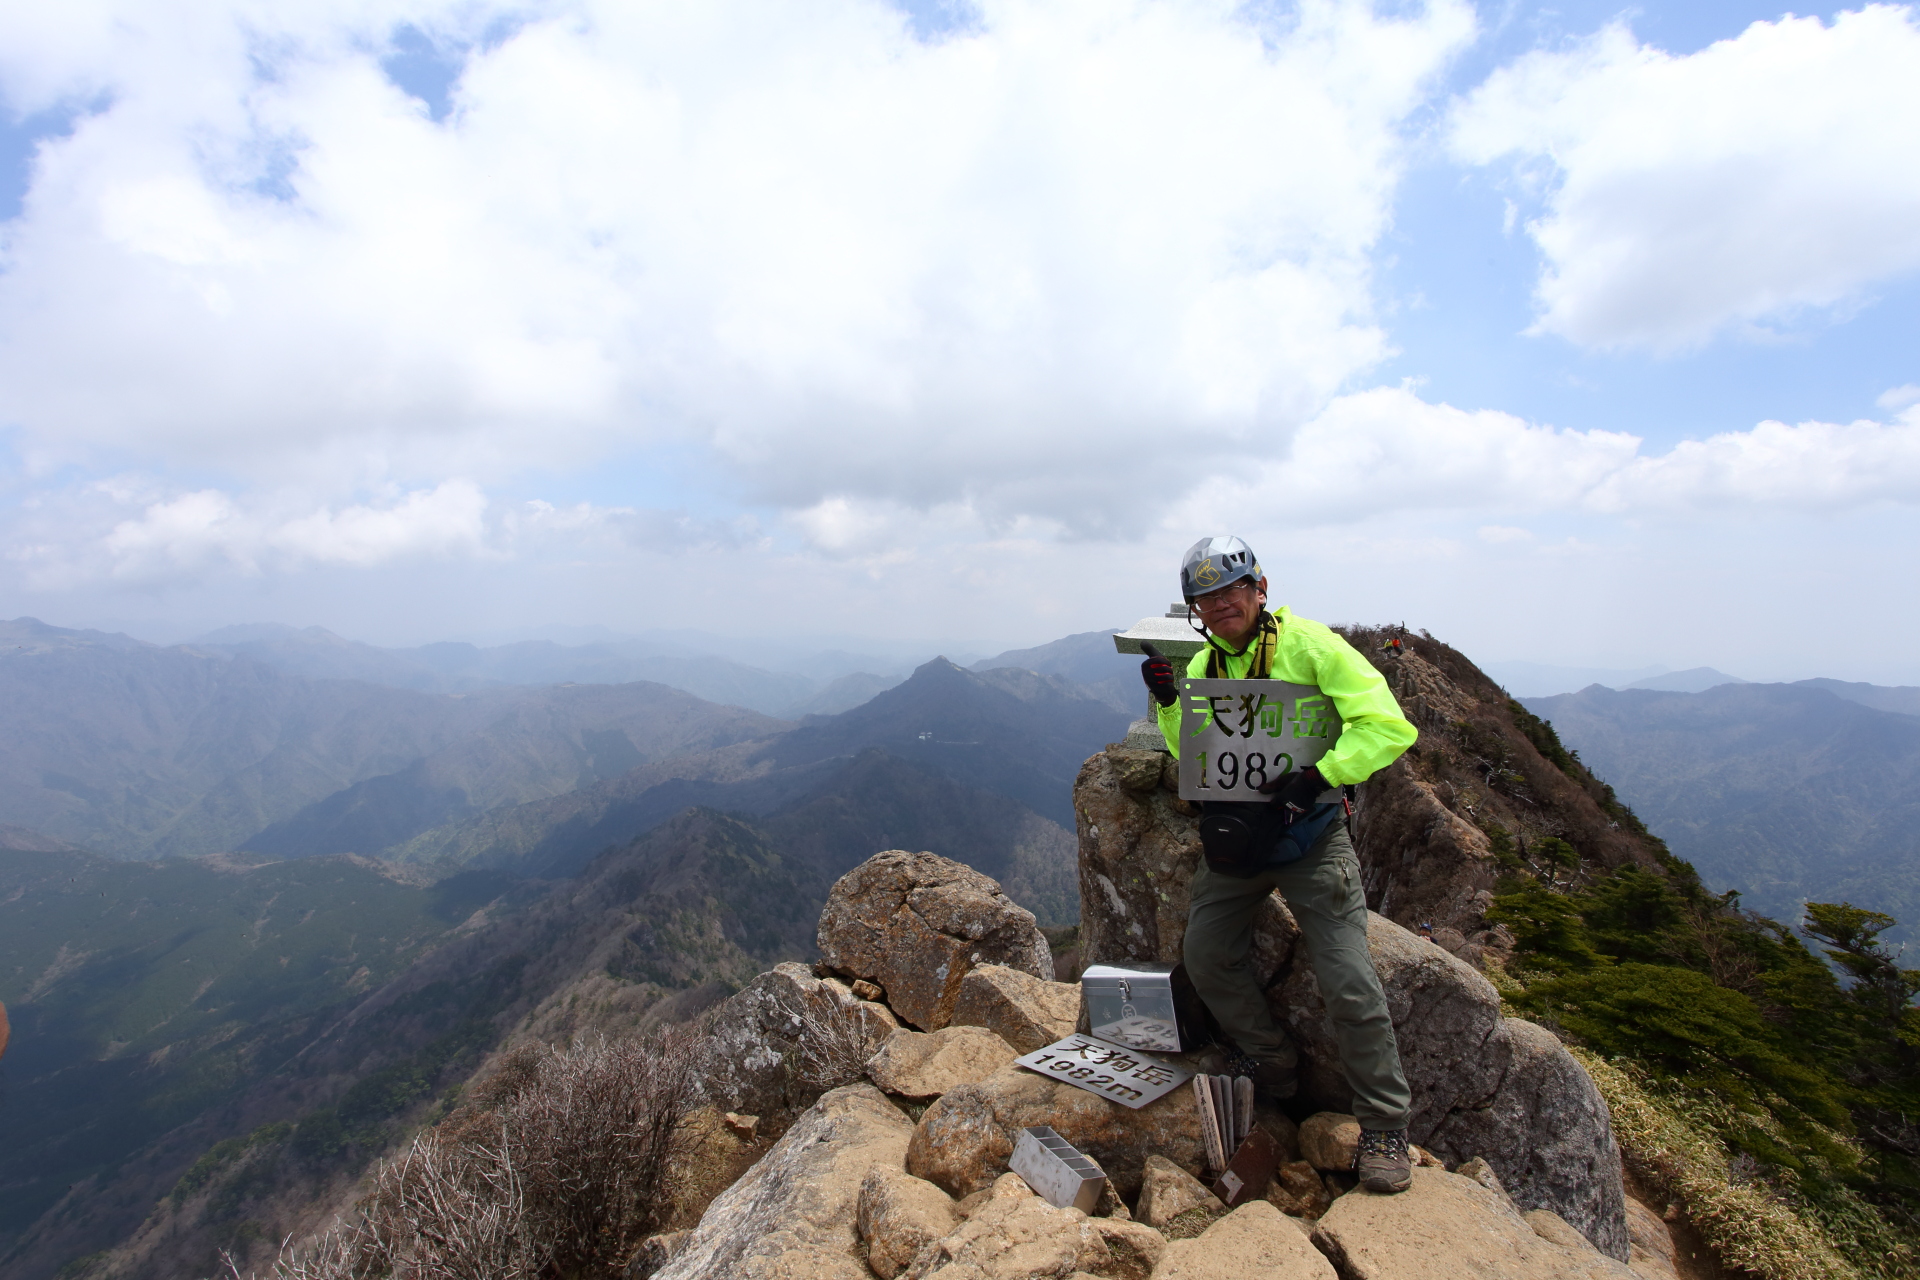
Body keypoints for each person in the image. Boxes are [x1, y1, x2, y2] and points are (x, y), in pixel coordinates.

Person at [1139, 535, 1419, 1194]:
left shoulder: (1310, 647)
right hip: (1239, 841)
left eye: (1231, 590)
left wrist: (1320, 774)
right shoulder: (1208, 664)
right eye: (1205, 597)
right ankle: (1272, 1064)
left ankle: (1384, 1122)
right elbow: (1195, 753)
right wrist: (1172, 701)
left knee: (1349, 980)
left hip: (1312, 837)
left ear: (1259, 590)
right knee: (1205, 954)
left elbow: (1386, 725)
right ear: (1195, 611)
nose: (1220, 604)